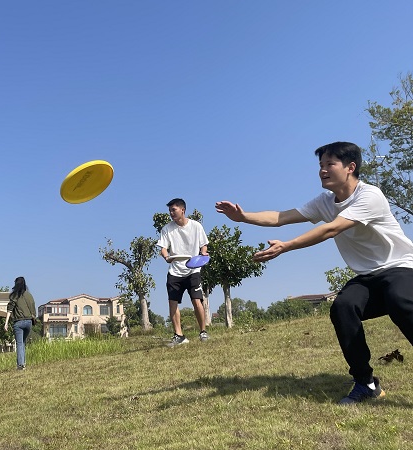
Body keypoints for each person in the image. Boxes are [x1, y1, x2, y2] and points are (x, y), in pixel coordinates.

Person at [216, 141, 413, 404]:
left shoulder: (369, 196)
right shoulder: (325, 201)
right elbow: (281, 216)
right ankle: (366, 383)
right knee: (342, 306)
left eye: (329, 164)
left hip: (399, 267)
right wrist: (244, 217)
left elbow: (331, 229)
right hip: (367, 277)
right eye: (320, 165)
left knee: (399, 300)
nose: (322, 171)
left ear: (350, 167)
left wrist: (287, 246)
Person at [156, 198, 209, 347]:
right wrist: (166, 257)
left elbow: (203, 244)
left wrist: (203, 253)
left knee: (196, 300)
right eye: (170, 211)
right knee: (172, 302)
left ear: (183, 210)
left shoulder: (196, 226)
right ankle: (178, 335)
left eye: (174, 210)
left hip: (193, 269)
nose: (171, 213)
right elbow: (163, 248)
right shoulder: (167, 229)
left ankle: (203, 331)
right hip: (174, 271)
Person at [4, 276, 37, 370]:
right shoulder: (29, 295)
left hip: (19, 322)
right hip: (29, 322)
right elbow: (33, 309)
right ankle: (23, 363)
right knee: (22, 343)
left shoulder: (14, 295)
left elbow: (10, 309)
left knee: (19, 343)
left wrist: (6, 323)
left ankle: (20, 365)